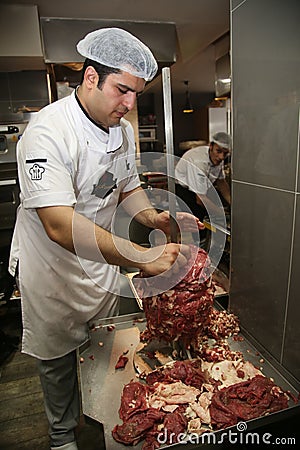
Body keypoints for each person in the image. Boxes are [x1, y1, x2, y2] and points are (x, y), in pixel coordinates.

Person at [8, 28, 202, 450]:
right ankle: (62, 437)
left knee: (101, 347)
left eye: (136, 92)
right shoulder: (48, 132)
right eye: (122, 90)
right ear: (91, 77)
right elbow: (59, 225)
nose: (130, 103)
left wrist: (155, 216)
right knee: (58, 358)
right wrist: (138, 255)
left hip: (97, 256)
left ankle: (105, 418)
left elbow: (127, 188)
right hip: (51, 268)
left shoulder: (121, 130)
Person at [175, 132, 231, 226]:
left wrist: (231, 203)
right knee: (198, 220)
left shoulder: (217, 158)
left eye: (225, 153)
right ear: (211, 146)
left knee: (216, 209)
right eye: (218, 151)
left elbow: (221, 182)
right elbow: (200, 199)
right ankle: (200, 240)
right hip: (184, 190)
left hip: (203, 188)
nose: (221, 157)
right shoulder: (199, 162)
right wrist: (221, 213)